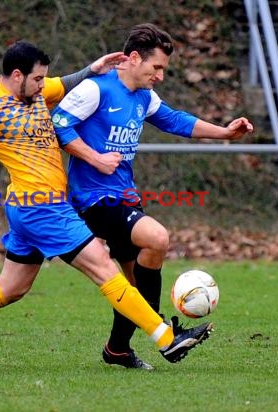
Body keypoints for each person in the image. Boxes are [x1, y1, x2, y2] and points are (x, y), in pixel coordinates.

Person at [0, 40, 213, 370]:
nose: (43, 87)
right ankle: (167, 341)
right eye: (38, 79)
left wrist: (93, 69)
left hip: (28, 210)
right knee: (107, 271)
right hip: (43, 209)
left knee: (10, 289)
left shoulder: (36, 91)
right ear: (18, 75)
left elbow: (64, 84)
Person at [51, 23, 253, 370]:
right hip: (93, 200)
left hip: (124, 196)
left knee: (131, 286)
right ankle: (165, 333)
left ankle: (117, 349)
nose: (159, 75)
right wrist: (94, 157)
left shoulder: (144, 96)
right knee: (157, 238)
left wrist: (225, 133)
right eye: (156, 67)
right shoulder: (94, 90)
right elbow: (58, 124)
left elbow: (175, 120)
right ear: (133, 58)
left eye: (163, 69)